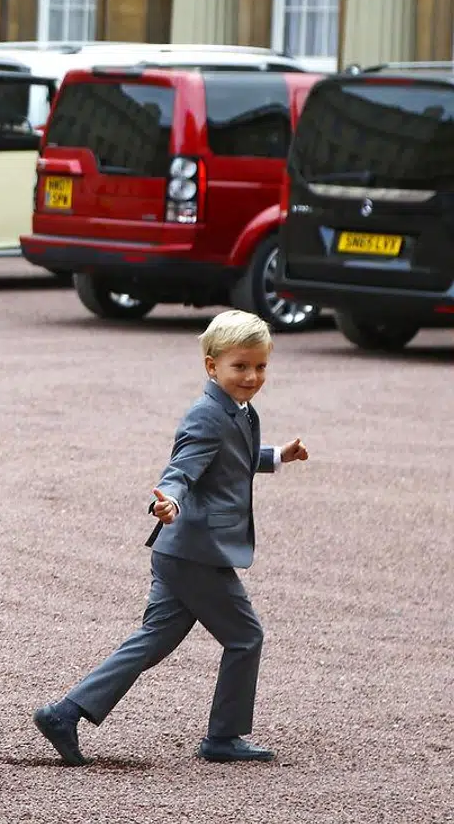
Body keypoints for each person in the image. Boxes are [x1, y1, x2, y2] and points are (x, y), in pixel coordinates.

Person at [33, 309, 310, 766]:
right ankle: (223, 737)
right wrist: (170, 501)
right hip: (196, 552)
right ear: (211, 366)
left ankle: (65, 712)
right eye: (240, 366)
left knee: (153, 639)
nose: (252, 376)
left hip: (180, 551)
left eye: (260, 366)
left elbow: (233, 456)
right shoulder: (205, 415)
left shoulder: (238, 410)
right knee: (246, 637)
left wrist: (278, 455)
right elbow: (181, 470)